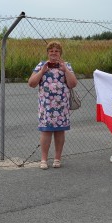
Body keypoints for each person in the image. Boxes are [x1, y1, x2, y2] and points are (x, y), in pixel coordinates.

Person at [28, 41, 78, 169]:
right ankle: (44, 159)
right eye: (51, 51)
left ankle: (57, 158)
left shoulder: (66, 65)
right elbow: (31, 83)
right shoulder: (41, 65)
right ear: (47, 53)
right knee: (46, 131)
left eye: (56, 51)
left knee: (60, 131)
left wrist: (65, 70)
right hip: (46, 106)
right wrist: (42, 71)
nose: (54, 53)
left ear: (60, 53)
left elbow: (73, 84)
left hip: (62, 106)